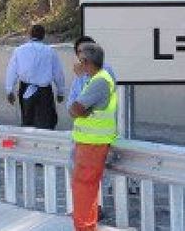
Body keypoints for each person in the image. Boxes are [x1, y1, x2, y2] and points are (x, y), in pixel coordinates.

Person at [68, 42, 117, 231]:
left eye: (80, 60)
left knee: (84, 187)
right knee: (85, 187)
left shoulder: (100, 81)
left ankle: (85, 228)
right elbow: (77, 108)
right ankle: (85, 226)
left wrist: (79, 110)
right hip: (89, 142)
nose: (77, 65)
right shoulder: (93, 78)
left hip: (93, 143)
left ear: (86, 61)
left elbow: (76, 108)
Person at [5, 24, 67, 130]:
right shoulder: (50, 51)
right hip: (44, 91)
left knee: (27, 120)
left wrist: (9, 90)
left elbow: (11, 71)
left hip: (25, 90)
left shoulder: (19, 50)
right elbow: (58, 73)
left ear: (30, 35)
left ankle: (29, 143)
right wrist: (60, 92)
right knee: (47, 121)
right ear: (43, 36)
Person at [67, 36, 117, 107]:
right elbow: (70, 103)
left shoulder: (105, 69)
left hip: (100, 117)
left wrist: (81, 76)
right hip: (82, 117)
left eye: (87, 51)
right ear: (77, 55)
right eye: (80, 51)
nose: (84, 54)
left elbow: (88, 98)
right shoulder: (80, 72)